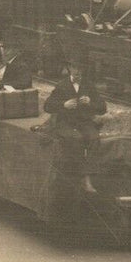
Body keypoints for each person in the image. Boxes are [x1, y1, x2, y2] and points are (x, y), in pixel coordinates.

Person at [45, 62, 107, 195]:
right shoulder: (62, 85)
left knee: (94, 138)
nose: (77, 71)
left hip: (83, 122)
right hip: (65, 123)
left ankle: (87, 178)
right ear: (69, 69)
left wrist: (91, 102)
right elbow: (47, 106)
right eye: (74, 68)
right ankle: (80, 178)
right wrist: (64, 104)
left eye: (80, 68)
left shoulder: (88, 85)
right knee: (76, 139)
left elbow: (103, 108)